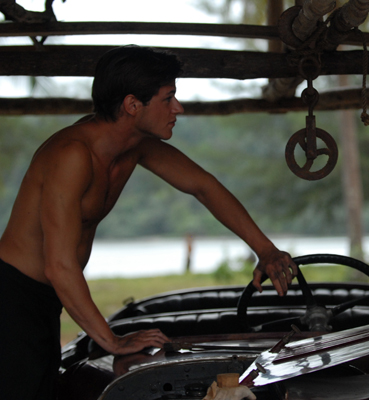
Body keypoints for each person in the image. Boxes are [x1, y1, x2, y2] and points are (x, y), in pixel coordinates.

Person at [0, 45, 297, 400]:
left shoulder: (134, 145)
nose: (178, 108)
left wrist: (265, 249)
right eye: (168, 98)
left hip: (46, 299)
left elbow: (203, 186)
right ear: (131, 105)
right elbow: (59, 265)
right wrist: (111, 341)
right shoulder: (72, 156)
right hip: (12, 297)